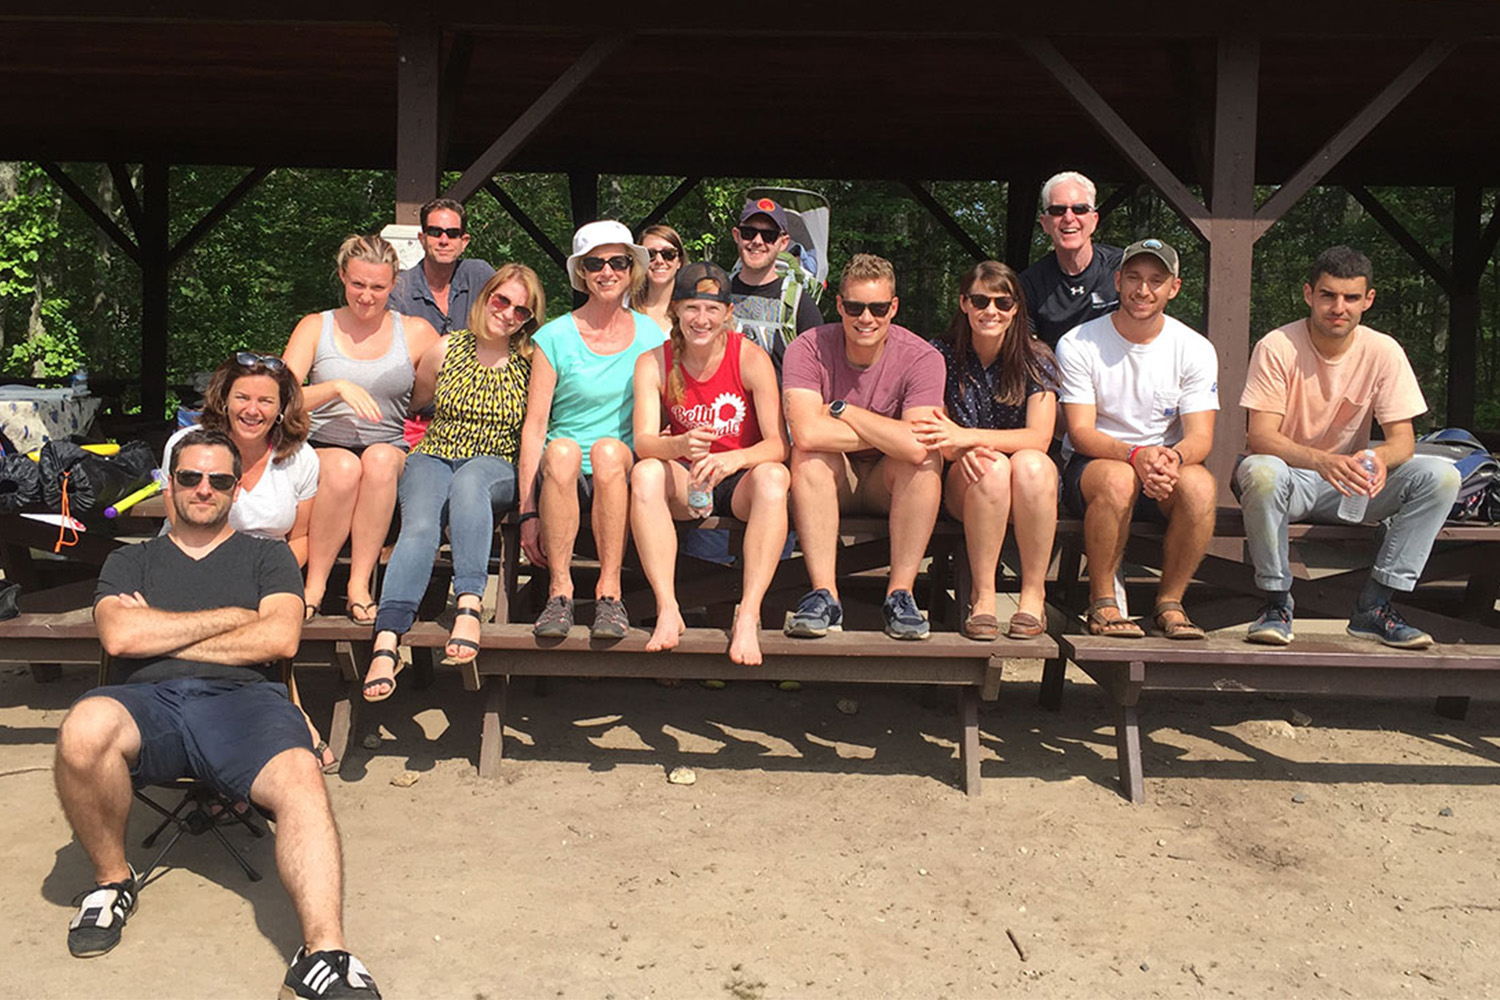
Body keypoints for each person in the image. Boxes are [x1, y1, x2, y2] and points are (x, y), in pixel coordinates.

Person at [55, 428, 381, 998]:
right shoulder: (130, 559)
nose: (203, 489)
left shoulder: (268, 555)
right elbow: (118, 636)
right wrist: (234, 616)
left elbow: (279, 639)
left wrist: (160, 630)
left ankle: (324, 951)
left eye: (219, 480)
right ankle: (111, 882)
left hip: (245, 704)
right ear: (168, 483)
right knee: (82, 729)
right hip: (145, 703)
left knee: (302, 775)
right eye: (189, 477)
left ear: (236, 489)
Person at [1235, 246, 1460, 649]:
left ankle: (1376, 605)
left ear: (1368, 300)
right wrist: (1323, 461)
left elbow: (1403, 441)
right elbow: (1260, 437)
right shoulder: (1277, 345)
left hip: (1351, 484)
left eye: (1351, 297)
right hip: (1292, 479)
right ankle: (1275, 603)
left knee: (1442, 475)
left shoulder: (1384, 350)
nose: (1338, 307)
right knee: (1260, 470)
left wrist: (1376, 459)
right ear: (1309, 294)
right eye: (1328, 295)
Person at [365, 265, 543, 699]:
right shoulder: (445, 349)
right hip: (437, 451)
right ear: (486, 297)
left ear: (529, 320)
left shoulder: (532, 361)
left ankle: (468, 603)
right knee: (421, 523)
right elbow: (420, 403)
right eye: (502, 301)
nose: (508, 314)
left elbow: (537, 425)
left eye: (521, 310)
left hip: (495, 460)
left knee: (470, 484)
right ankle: (387, 636)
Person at [630, 261, 790, 665]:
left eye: (712, 310)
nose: (702, 320)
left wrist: (733, 459)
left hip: (740, 478)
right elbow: (645, 442)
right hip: (687, 477)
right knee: (645, 473)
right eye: (692, 309)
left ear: (727, 314)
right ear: (676, 312)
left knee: (774, 478)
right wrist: (679, 443)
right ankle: (668, 608)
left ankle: (748, 616)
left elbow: (777, 445)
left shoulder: (750, 358)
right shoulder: (654, 362)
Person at [1057, 238, 1218, 639]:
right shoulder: (1078, 343)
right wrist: (1136, 455)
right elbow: (1079, 433)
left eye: (1155, 280)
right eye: (1133, 278)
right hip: (1095, 465)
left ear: (1174, 288)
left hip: (1163, 467)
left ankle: (1171, 604)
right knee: (1118, 479)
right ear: (1117, 280)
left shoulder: (1195, 348)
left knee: (1200, 486)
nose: (1143, 290)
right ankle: (1103, 603)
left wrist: (1171, 460)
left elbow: (1200, 437)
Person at [782, 253, 945, 640]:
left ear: (894, 307)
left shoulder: (923, 357)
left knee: (924, 463)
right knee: (808, 455)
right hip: (834, 477)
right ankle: (824, 595)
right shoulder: (807, 348)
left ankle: (900, 595)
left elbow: (919, 446)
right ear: (839, 305)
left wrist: (844, 411)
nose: (865, 318)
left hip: (888, 481)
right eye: (854, 307)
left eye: (877, 308)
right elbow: (805, 433)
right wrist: (892, 433)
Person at [517, 220, 665, 639]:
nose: (607, 272)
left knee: (607, 451)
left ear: (631, 269)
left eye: (618, 262)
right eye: (595, 263)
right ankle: (559, 592)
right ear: (581, 272)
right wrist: (528, 510)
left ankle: (609, 594)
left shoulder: (652, 335)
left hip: (619, 468)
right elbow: (535, 428)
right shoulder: (554, 337)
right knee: (562, 451)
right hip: (561, 471)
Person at [284, 235, 439, 624]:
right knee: (343, 467)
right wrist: (335, 387)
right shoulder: (316, 327)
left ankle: (360, 583)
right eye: (358, 285)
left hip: (387, 446)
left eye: (377, 287)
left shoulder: (416, 331)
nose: (366, 297)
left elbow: (451, 380)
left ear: (393, 285)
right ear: (342, 277)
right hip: (323, 444)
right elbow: (279, 398)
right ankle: (314, 585)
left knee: (380, 460)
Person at [913, 262, 1059, 641]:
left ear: (1015, 308)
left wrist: (967, 437)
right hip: (967, 478)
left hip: (1026, 486)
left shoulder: (1037, 356)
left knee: (1034, 464)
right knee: (992, 468)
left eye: (1002, 302)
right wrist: (963, 445)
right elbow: (936, 433)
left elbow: (1040, 438)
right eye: (980, 300)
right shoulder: (938, 354)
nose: (990, 311)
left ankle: (1033, 593)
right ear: (963, 303)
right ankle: (984, 596)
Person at [162, 351, 317, 566]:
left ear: (281, 408)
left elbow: (299, 539)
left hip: (270, 572)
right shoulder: (185, 446)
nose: (252, 410)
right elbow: (182, 530)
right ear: (224, 400)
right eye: (242, 398)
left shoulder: (302, 457)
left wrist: (274, 582)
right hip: (191, 561)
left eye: (265, 401)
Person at [1019, 171, 1123, 348]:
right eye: (1058, 210)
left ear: (1094, 220)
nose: (1068, 218)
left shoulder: (1123, 267)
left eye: (1079, 209)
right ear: (1045, 223)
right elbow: (1026, 352)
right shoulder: (1029, 284)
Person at [729, 196, 823, 369]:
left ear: (783, 243)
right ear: (737, 235)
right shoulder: (718, 294)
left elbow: (818, 369)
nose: (757, 241)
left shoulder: (799, 304)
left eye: (769, 236)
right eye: (748, 233)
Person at [389, 197, 496, 336]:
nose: (444, 241)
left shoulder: (480, 276)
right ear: (422, 239)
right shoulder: (398, 289)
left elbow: (520, 307)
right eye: (435, 232)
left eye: (452, 234)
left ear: (464, 242)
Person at [634, 224, 685, 333]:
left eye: (668, 254)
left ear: (679, 262)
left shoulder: (692, 312)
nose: (659, 260)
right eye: (650, 254)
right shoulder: (625, 310)